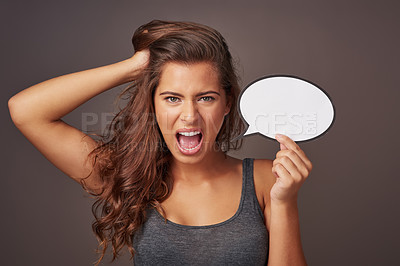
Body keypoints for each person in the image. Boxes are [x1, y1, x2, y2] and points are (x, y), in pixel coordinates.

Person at [8, 20, 312, 265]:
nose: (190, 116)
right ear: (153, 104)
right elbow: (26, 111)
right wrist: (136, 67)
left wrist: (284, 201)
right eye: (172, 98)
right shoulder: (129, 177)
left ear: (228, 103)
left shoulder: (265, 180)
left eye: (206, 98)